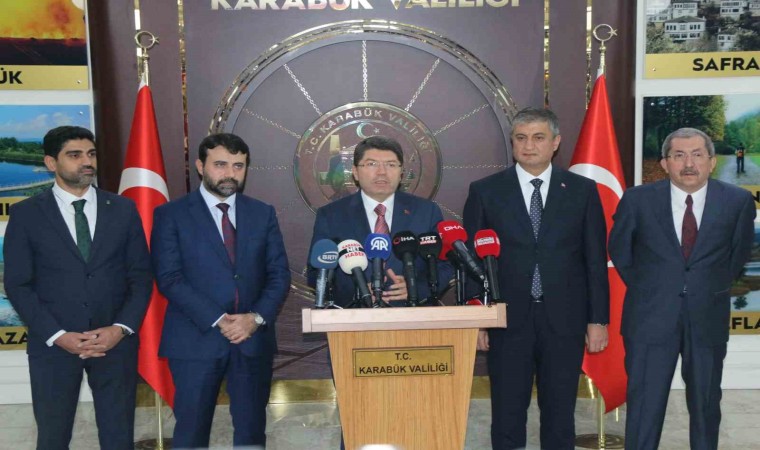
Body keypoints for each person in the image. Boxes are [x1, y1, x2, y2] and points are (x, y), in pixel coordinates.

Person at [462, 107, 609, 450]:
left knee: (560, 413)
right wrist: (477, 319)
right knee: (507, 412)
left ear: (555, 142)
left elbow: (594, 260)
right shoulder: (486, 191)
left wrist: (597, 319)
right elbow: (472, 261)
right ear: (512, 142)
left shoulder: (582, 190)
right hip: (506, 319)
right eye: (521, 138)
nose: (529, 146)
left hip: (564, 320)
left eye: (538, 137)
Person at [3, 126, 152, 450]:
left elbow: (141, 277)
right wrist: (58, 335)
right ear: (50, 162)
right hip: (54, 348)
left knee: (118, 437)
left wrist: (120, 329)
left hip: (114, 346)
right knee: (53, 438)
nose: (87, 162)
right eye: (75, 155)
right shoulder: (26, 214)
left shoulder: (123, 209)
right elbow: (18, 283)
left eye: (91, 154)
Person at [609, 128, 755, 450]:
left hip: (707, 317)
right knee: (644, 406)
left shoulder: (738, 201)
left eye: (697, 155)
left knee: (705, 404)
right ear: (665, 163)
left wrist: (705, 286)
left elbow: (737, 256)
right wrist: (653, 288)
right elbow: (620, 251)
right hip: (649, 318)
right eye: (679, 155)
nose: (689, 164)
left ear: (712, 161)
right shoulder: (637, 200)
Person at [151, 133, 290, 448]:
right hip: (195, 340)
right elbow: (169, 278)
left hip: (252, 340)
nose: (230, 173)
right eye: (221, 165)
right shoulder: (172, 214)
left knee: (251, 433)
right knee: (191, 433)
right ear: (201, 166)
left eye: (238, 166)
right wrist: (219, 319)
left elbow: (278, 274)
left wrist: (254, 318)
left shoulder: (262, 213)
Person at [308, 135, 452, 307]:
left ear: (401, 173)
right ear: (355, 172)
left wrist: (417, 289)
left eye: (391, 165)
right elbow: (316, 273)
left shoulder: (426, 211)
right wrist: (359, 291)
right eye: (372, 164)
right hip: (355, 317)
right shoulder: (331, 215)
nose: (382, 172)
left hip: (413, 314)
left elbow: (445, 265)